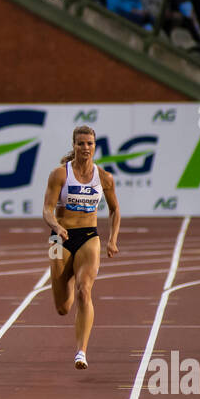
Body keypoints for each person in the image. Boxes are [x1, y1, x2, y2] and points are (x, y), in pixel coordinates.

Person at [42, 125, 120, 369]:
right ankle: (67, 279)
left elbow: (115, 209)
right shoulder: (59, 175)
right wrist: (56, 225)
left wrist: (112, 239)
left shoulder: (105, 178)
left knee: (84, 291)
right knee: (63, 307)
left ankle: (81, 352)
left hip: (89, 236)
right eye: (80, 143)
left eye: (89, 143)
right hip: (58, 239)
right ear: (73, 145)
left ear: (95, 146)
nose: (85, 148)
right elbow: (46, 209)